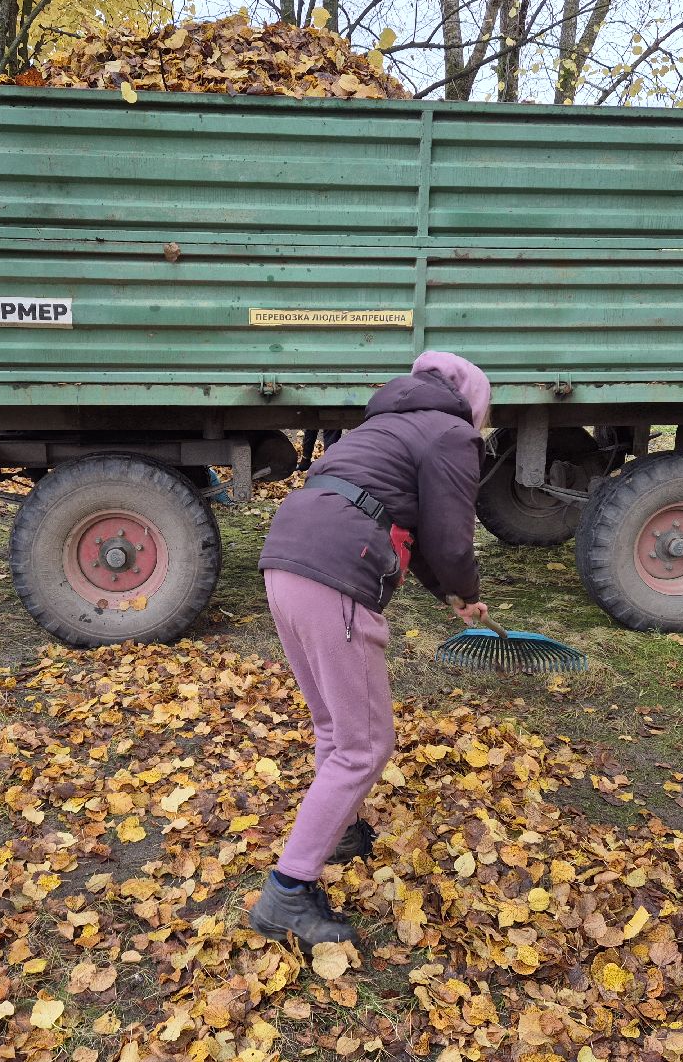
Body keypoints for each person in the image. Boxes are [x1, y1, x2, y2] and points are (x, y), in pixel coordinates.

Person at [250, 350, 492, 951]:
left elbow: (403, 516)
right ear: (474, 401)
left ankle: (342, 830)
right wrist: (464, 588)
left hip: (286, 559)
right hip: (337, 572)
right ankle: (288, 891)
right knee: (366, 745)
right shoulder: (452, 433)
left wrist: (451, 598)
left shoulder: (382, 424)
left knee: (334, 724)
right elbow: (450, 537)